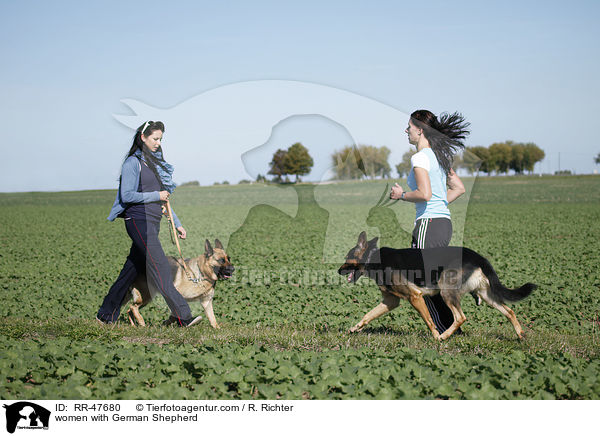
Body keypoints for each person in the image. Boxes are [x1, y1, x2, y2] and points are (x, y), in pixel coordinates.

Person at [96, 121, 202, 327]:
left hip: (152, 222)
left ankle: (105, 315)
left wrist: (176, 223)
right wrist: (156, 194)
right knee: (160, 266)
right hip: (137, 221)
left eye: (160, 139)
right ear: (142, 138)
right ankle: (182, 317)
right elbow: (127, 195)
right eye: (155, 138)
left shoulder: (153, 165)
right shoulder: (131, 164)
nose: (158, 143)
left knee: (131, 270)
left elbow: (164, 200)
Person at [390, 109, 469, 334]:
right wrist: (440, 205)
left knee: (423, 279)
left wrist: (401, 195)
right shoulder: (439, 156)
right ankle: (453, 329)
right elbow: (459, 189)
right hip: (442, 223)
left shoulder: (420, 157)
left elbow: (424, 194)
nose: (406, 131)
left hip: (428, 224)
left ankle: (446, 329)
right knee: (433, 277)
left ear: (420, 130)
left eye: (409, 127)